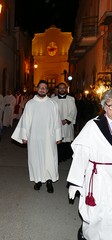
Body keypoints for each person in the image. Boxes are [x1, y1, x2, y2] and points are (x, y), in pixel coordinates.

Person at [67, 89, 112, 240]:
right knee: (97, 214)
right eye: (111, 105)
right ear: (105, 106)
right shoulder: (93, 126)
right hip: (99, 177)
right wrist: (75, 182)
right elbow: (80, 155)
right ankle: (89, 235)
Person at [11, 80, 62, 193]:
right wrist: (24, 135)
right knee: (35, 158)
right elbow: (25, 121)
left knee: (49, 158)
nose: (42, 89)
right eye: (40, 87)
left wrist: (58, 137)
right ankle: (37, 180)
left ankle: (49, 181)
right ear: (37, 89)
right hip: (34, 137)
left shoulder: (53, 104)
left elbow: (57, 121)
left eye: (44, 88)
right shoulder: (30, 104)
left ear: (47, 91)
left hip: (49, 137)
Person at [52, 82, 77, 162]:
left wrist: (67, 120)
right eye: (60, 88)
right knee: (57, 140)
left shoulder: (71, 99)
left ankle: (66, 156)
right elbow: (51, 112)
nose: (62, 89)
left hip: (67, 124)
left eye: (63, 88)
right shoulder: (53, 100)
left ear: (66, 89)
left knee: (66, 140)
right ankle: (58, 157)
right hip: (57, 124)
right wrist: (57, 121)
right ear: (57, 89)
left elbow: (74, 111)